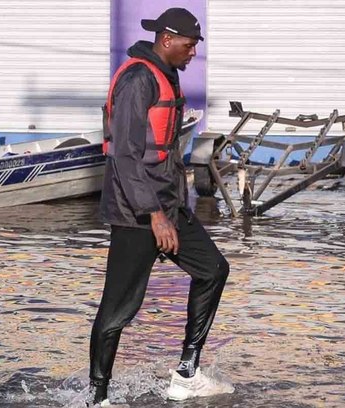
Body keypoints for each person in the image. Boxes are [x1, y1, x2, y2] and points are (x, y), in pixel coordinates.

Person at [88, 7, 234, 407]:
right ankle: (97, 397)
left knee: (213, 270)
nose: (192, 54)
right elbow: (127, 155)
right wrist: (153, 216)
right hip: (136, 213)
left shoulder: (166, 76)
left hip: (168, 207)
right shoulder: (137, 79)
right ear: (167, 40)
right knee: (118, 308)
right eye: (188, 47)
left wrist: (168, 211)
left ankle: (187, 372)